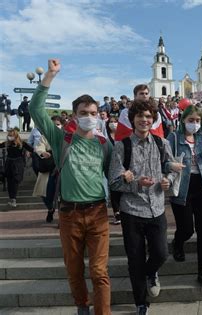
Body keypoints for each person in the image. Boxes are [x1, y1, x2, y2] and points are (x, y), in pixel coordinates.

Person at [29, 59, 113, 315]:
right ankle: (81, 307)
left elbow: (112, 173)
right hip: (69, 214)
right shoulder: (61, 139)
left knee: (99, 271)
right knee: (74, 269)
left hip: (98, 213)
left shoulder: (103, 144)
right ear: (75, 115)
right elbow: (35, 110)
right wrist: (50, 77)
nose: (89, 117)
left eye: (93, 113)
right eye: (84, 113)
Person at [109, 99, 177, 315]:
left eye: (148, 116)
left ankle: (150, 273)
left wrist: (168, 179)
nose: (144, 120)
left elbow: (172, 168)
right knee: (135, 258)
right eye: (140, 116)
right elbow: (114, 181)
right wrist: (134, 182)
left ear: (153, 119)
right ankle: (141, 302)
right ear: (133, 119)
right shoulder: (122, 146)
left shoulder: (161, 143)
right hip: (132, 211)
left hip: (156, 208)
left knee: (161, 253)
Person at [167, 105, 202, 289]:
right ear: (183, 121)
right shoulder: (173, 138)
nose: (194, 124)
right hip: (182, 187)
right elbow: (165, 160)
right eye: (191, 120)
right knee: (187, 228)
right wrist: (171, 166)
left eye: (197, 121)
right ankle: (178, 242)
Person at [0, 129, 34, 208]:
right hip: (9, 163)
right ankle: (12, 198)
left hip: (18, 163)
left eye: (11, 135)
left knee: (15, 181)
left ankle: (13, 199)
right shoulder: (7, 144)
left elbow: (32, 149)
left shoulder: (22, 143)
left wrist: (31, 153)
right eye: (9, 135)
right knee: (9, 181)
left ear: (15, 136)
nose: (10, 137)